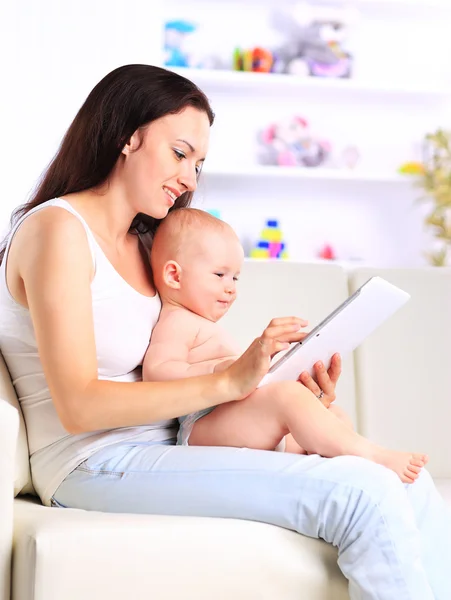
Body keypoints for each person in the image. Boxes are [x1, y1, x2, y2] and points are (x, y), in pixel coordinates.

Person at [0, 64, 449, 599]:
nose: (190, 178)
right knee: (364, 492)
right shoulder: (58, 230)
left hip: (173, 440)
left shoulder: (150, 246)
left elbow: (191, 366)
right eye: (180, 153)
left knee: (411, 484)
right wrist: (230, 383)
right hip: (91, 462)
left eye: (199, 163)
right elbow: (78, 407)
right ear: (128, 136)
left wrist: (277, 388)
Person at [144, 207, 427, 484]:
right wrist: (222, 369)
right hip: (202, 427)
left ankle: (341, 469)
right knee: (288, 396)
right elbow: (156, 375)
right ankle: (372, 456)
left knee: (333, 415)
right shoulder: (176, 320)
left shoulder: (201, 323)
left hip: (233, 421)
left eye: (235, 277)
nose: (231, 287)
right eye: (219, 275)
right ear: (175, 276)